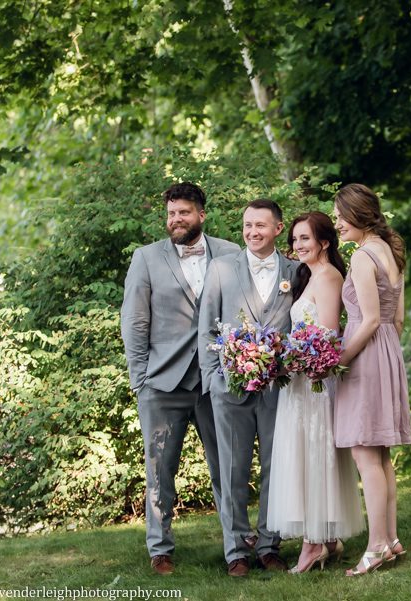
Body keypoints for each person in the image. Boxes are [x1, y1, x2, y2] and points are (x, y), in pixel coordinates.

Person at [120, 181, 240, 575]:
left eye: (184, 213)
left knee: (227, 467)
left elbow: (240, 312)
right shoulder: (146, 258)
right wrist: (140, 379)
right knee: (159, 470)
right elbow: (135, 322)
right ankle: (160, 550)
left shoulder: (229, 253)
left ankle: (236, 549)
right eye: (171, 213)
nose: (176, 220)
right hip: (162, 383)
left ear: (201, 215)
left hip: (215, 382)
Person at [198, 198, 299, 577]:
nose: (252, 232)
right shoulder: (222, 269)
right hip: (230, 389)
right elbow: (206, 328)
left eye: (260, 225)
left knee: (276, 467)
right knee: (233, 470)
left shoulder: (295, 270)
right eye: (247, 225)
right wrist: (214, 380)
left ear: (277, 228)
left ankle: (270, 545)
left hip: (278, 388)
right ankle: (236, 550)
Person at [266, 211, 365, 574]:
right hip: (299, 379)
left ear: (324, 242)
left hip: (314, 381)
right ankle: (326, 539)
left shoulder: (329, 277)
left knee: (312, 456)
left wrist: (292, 360)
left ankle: (313, 544)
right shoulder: (310, 276)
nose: (297, 245)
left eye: (305, 238)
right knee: (303, 456)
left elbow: (325, 335)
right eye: (294, 239)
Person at [332, 184, 411, 576]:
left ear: (358, 215)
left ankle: (377, 545)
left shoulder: (364, 257)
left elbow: (367, 320)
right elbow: (396, 321)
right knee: (380, 455)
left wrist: (340, 360)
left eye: (340, 215)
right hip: (387, 351)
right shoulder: (391, 251)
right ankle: (391, 538)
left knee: (366, 454)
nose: (336, 223)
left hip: (365, 355)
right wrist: (387, 356)